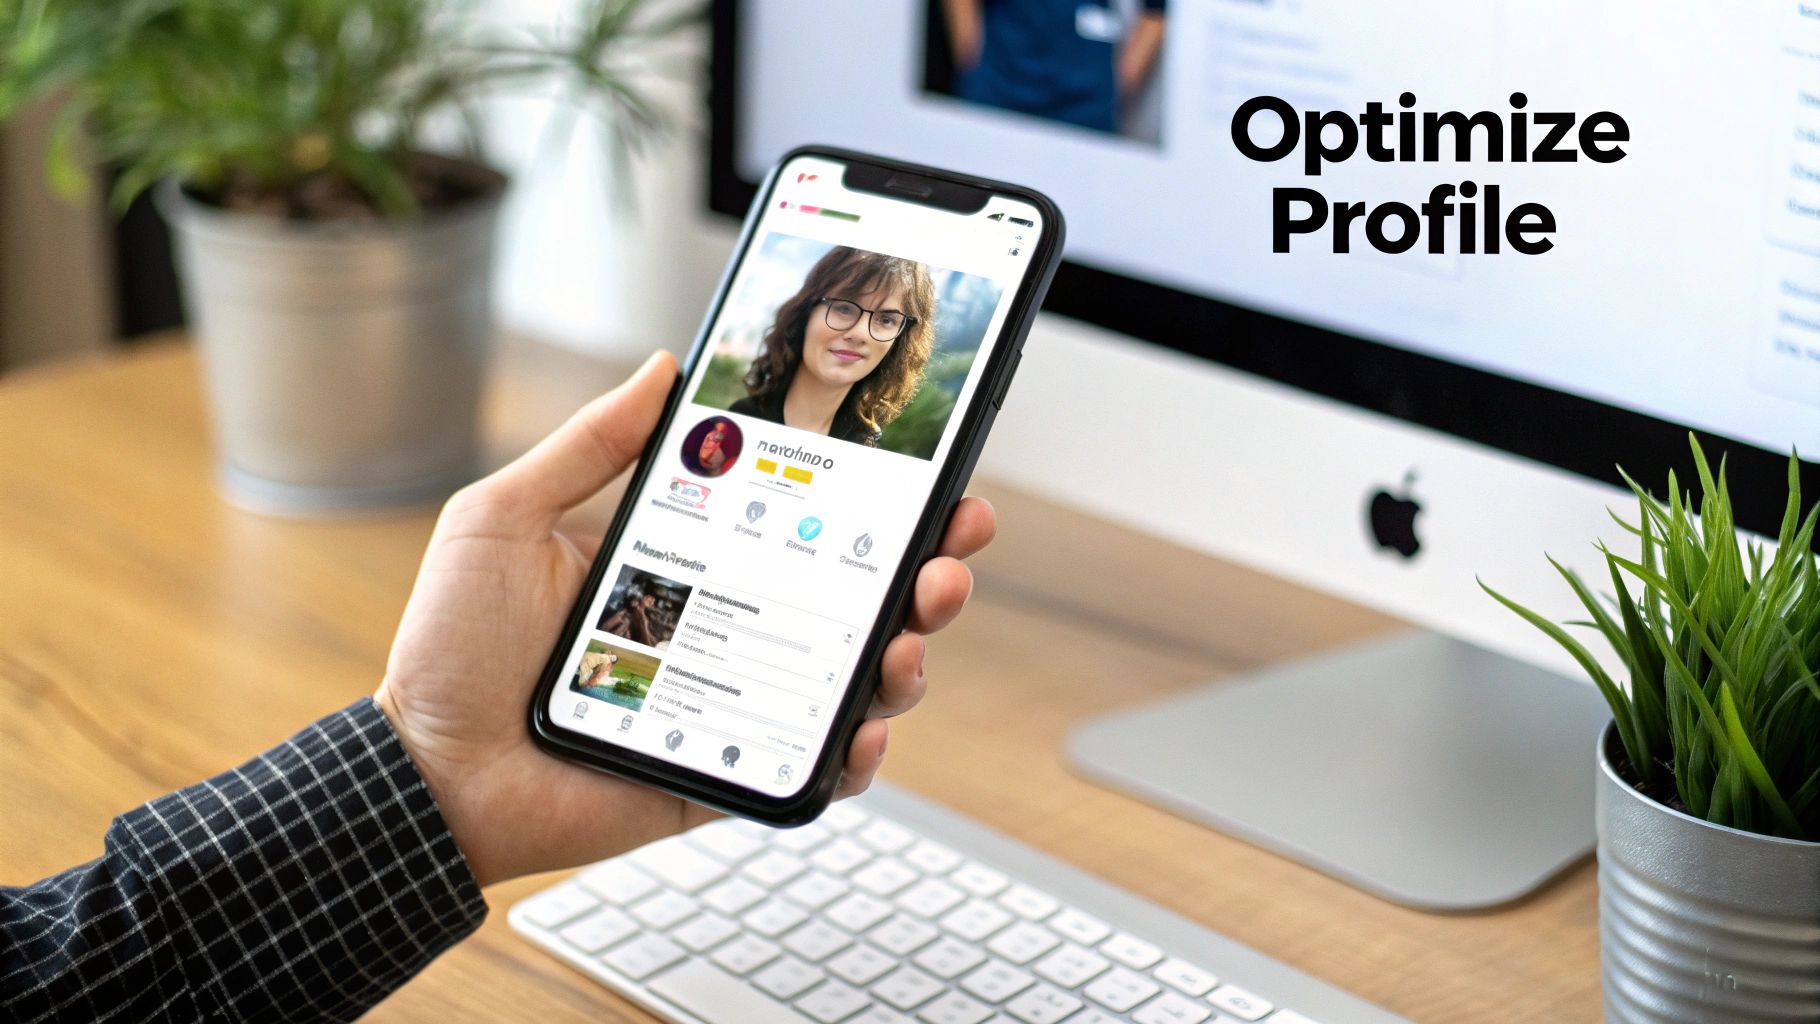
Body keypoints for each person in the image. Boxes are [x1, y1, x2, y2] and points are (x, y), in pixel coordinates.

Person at [0, 351, 996, 1021]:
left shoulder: (884, 444)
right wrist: (437, 771)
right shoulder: (730, 413)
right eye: (844, 305)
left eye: (882, 320)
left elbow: (52, 981)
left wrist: (436, 776)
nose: (855, 333)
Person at [729, 246, 935, 446]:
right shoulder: (735, 426)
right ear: (806, 313)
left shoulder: (864, 450)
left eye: (886, 319)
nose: (860, 334)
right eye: (844, 308)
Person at [945, 0, 1167, 136]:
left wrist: (1117, 84)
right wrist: (970, 57)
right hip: (999, 82)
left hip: (1085, 101)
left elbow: (1158, 10)